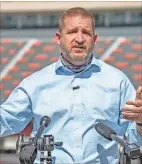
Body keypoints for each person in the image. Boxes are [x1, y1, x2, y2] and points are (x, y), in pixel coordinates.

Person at [0, 7, 142, 164]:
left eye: (86, 33)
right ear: (59, 38)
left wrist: (140, 122)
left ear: (94, 40)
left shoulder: (118, 82)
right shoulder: (35, 83)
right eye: (72, 32)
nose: (79, 39)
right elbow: (5, 120)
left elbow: (135, 141)